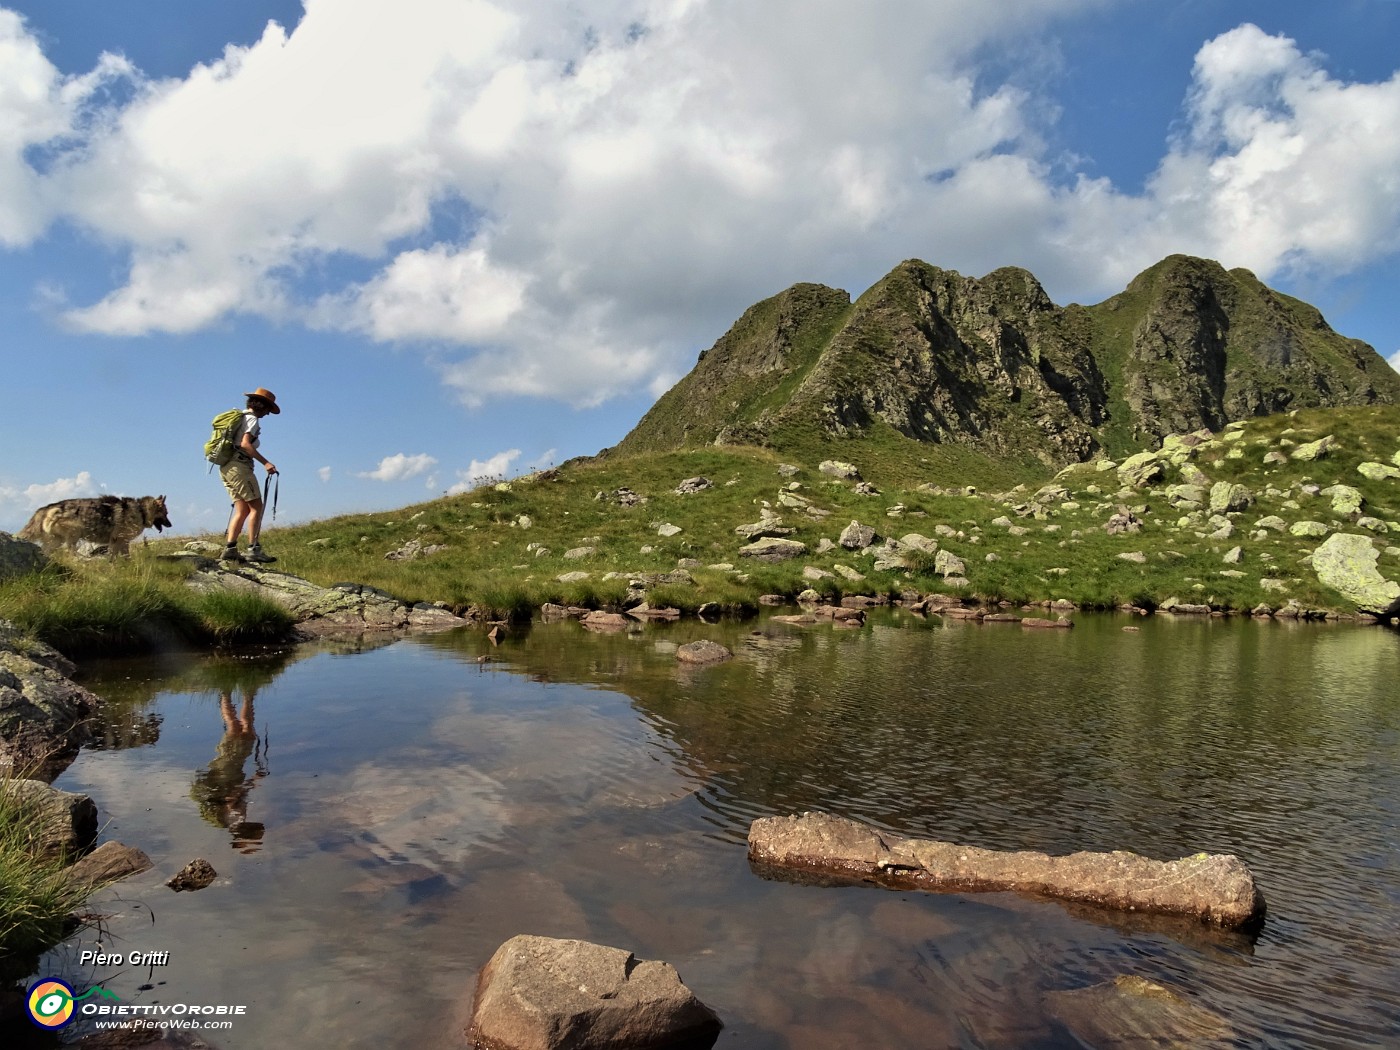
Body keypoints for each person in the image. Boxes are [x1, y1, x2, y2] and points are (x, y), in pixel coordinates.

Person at [220, 387, 280, 563]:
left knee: (242, 509)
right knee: (256, 507)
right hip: (240, 466)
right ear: (261, 406)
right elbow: (246, 444)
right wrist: (266, 463)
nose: (268, 414)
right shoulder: (252, 420)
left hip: (226, 467)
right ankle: (253, 549)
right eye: (268, 409)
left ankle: (230, 549)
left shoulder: (240, 417)